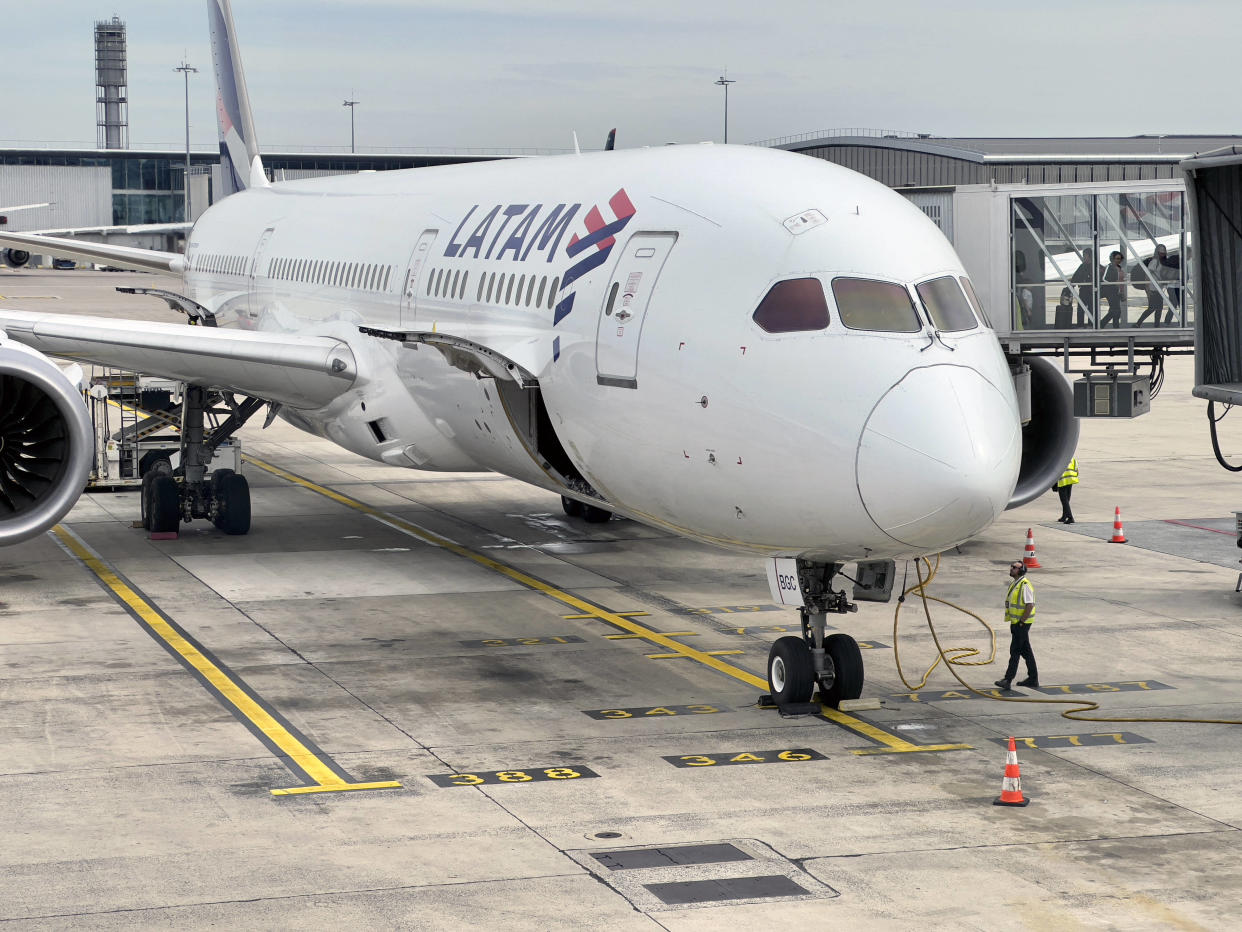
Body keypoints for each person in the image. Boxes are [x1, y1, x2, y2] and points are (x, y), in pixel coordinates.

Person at [995, 561, 1038, 690]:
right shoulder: (1016, 583)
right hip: (1016, 623)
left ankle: (1008, 679)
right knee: (1026, 652)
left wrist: (1021, 622)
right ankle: (1033, 679)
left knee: (1015, 651)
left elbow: (1030, 605)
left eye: (1015, 567)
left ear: (1021, 570)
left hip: (1021, 624)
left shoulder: (1025, 585)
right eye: (1012, 567)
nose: (1011, 569)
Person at [1134, 244, 1173, 327]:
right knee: (1152, 308)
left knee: (1159, 308)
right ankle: (1138, 323)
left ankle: (1156, 325)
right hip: (1152, 288)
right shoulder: (1154, 261)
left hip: (1159, 289)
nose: (1163, 253)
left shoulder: (1163, 262)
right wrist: (1147, 289)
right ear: (1157, 252)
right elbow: (1147, 276)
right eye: (1161, 252)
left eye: (1164, 251)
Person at [1070, 247, 1101, 326]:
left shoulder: (1095, 266)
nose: (1084, 257)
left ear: (1089, 256)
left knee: (1091, 308)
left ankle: (1091, 325)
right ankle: (1080, 325)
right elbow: (1075, 277)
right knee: (1081, 309)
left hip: (1091, 291)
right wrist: (1072, 285)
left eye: (1085, 255)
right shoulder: (1083, 266)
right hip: (1084, 290)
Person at [1099, 252, 1126, 327]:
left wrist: (1122, 292)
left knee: (1116, 311)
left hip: (1117, 292)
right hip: (1111, 291)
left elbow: (1121, 282)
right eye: (1117, 258)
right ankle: (1102, 324)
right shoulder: (1109, 267)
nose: (1119, 260)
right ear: (1112, 259)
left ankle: (1114, 326)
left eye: (1120, 259)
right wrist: (1114, 283)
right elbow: (1103, 279)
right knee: (1115, 310)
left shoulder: (1119, 268)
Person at [1055, 457, 1078, 523]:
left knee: (1064, 500)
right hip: (1071, 480)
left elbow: (1055, 471)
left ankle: (1070, 517)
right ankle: (1064, 516)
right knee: (1067, 499)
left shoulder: (1060, 458)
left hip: (1063, 480)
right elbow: (1076, 469)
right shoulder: (1072, 458)